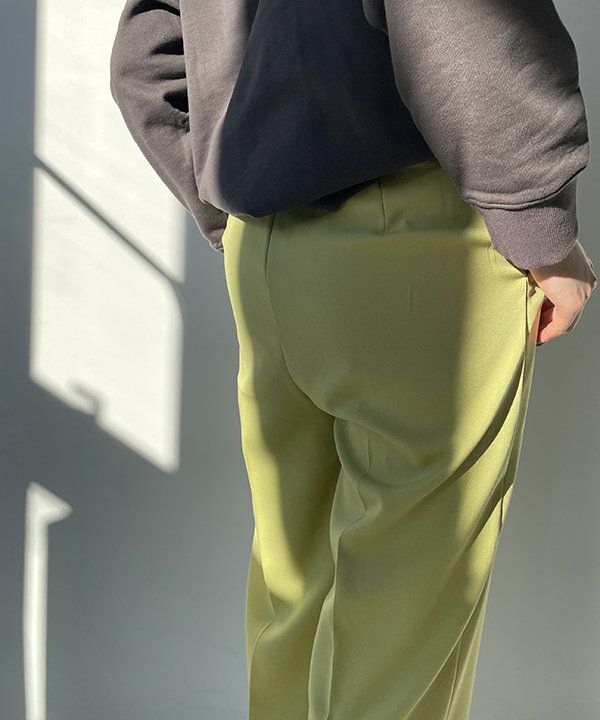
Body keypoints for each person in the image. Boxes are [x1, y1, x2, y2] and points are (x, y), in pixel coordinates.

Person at [109, 1, 597, 717]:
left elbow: (144, 57)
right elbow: (466, 21)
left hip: (264, 246)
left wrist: (231, 190)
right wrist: (541, 230)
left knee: (293, 584)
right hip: (421, 242)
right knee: (405, 608)